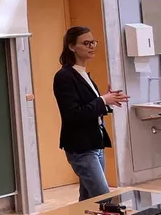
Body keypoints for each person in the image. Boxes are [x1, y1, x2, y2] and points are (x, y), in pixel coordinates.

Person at [53, 26, 129, 201]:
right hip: (81, 148)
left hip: (95, 143)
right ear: (71, 47)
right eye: (86, 43)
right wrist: (103, 100)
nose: (91, 46)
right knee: (104, 199)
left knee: (88, 201)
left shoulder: (83, 75)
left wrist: (108, 101)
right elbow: (73, 114)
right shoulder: (64, 76)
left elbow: (90, 107)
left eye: (93, 42)